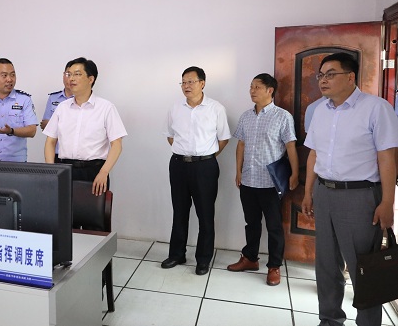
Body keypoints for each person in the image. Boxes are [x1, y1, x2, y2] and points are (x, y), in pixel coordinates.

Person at [302, 53, 398, 326]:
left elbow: (387, 158)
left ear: (350, 77)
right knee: (326, 264)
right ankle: (329, 319)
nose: (323, 80)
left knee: (363, 267)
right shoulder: (319, 110)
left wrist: (387, 202)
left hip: (359, 197)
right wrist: (308, 192)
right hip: (324, 192)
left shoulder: (376, 108)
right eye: (321, 75)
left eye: (330, 74)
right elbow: (313, 154)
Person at [226, 73, 298, 286]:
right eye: (251, 87)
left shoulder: (282, 116)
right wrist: (238, 171)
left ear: (270, 90)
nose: (252, 91)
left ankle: (274, 266)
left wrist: (295, 174)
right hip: (248, 180)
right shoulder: (246, 116)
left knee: (274, 226)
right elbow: (241, 145)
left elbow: (290, 146)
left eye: (256, 87)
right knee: (251, 223)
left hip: (270, 183)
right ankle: (250, 258)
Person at [161, 66, 231, 275]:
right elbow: (170, 136)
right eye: (183, 82)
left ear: (202, 83)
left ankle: (203, 259)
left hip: (205, 167)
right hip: (178, 165)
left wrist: (205, 157)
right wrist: (185, 153)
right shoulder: (175, 108)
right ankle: (177, 254)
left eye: (191, 81)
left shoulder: (216, 108)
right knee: (179, 211)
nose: (186, 86)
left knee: (205, 214)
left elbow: (223, 138)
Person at [43, 57, 127, 197]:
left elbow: (117, 144)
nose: (71, 79)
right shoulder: (62, 108)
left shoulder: (106, 108)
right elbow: (50, 141)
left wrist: (104, 172)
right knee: (63, 210)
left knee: (91, 210)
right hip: (64, 170)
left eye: (77, 74)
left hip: (94, 172)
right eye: (69, 74)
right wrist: (51, 171)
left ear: (90, 79)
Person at [40, 61, 74, 161]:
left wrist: (55, 125)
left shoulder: (81, 100)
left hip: (74, 155)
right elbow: (44, 125)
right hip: (56, 152)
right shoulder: (53, 97)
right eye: (68, 74)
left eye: (74, 75)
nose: (70, 79)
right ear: (63, 75)